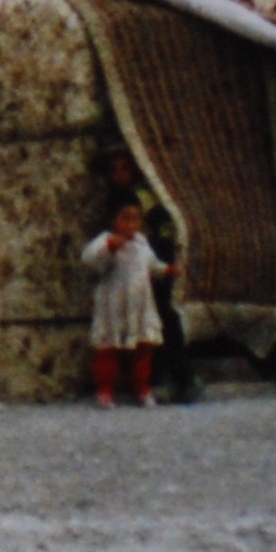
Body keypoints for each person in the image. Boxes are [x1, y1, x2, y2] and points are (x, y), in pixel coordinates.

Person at [101, 149, 192, 400]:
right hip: (126, 278)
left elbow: (161, 227)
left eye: (125, 168)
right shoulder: (113, 203)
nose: (120, 175)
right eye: (115, 170)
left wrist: (162, 263)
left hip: (150, 266)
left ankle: (180, 377)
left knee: (164, 321)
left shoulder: (147, 197)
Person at [80, 201, 173, 409]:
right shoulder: (105, 241)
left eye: (135, 219)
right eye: (126, 219)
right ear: (114, 221)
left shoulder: (142, 244)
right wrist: (110, 249)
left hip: (139, 305)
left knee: (143, 345)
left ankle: (142, 387)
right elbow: (90, 260)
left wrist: (166, 270)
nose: (131, 225)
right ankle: (105, 390)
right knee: (108, 346)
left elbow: (152, 265)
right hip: (114, 303)